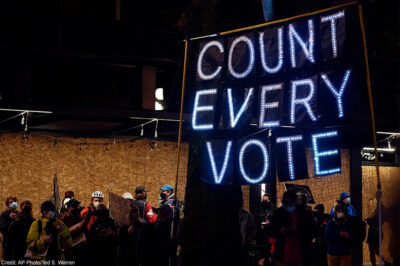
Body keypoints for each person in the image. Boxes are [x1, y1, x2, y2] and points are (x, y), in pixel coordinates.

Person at [269, 190, 316, 266]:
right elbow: (271, 231)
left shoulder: (304, 214)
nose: (288, 206)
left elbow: (313, 232)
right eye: (286, 204)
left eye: (290, 203)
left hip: (300, 256)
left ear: (295, 201)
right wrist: (280, 231)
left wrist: (298, 230)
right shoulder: (278, 213)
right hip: (282, 256)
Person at [61, 198, 85, 263]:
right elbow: (65, 235)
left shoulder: (79, 217)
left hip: (79, 250)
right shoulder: (63, 220)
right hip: (69, 252)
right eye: (73, 206)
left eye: (77, 205)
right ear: (68, 208)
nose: (76, 207)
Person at [254, 193, 275, 266]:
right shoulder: (258, 208)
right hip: (260, 233)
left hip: (270, 233)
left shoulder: (273, 208)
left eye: (266, 200)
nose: (264, 201)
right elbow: (255, 218)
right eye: (263, 200)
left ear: (269, 200)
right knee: (260, 247)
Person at [0, 196, 18, 260]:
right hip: (7, 244)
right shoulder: (4, 214)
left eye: (14, 202)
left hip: (17, 245)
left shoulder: (19, 214)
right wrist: (9, 218)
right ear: (8, 205)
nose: (13, 203)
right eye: (11, 202)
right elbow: (2, 228)